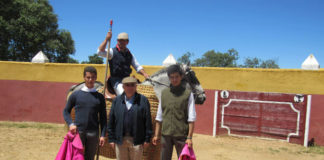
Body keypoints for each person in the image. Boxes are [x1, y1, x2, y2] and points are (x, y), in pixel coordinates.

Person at [152, 64, 196, 160]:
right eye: (172, 77)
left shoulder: (188, 94)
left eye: (176, 77)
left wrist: (189, 137)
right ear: (169, 78)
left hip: (181, 135)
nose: (174, 79)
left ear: (181, 77)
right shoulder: (164, 94)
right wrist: (156, 135)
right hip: (165, 135)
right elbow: (159, 116)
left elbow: (191, 118)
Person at [63, 66, 107, 160]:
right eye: (88, 77)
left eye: (93, 77)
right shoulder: (76, 95)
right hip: (78, 132)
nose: (90, 80)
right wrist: (70, 124)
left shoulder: (100, 97)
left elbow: (103, 118)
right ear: (84, 78)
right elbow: (66, 111)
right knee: (76, 157)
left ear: (96, 78)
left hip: (93, 133)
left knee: (90, 158)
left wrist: (102, 135)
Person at [107, 76, 153, 160]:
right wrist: (111, 139)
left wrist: (147, 139)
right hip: (120, 139)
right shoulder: (117, 101)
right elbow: (111, 121)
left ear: (136, 86)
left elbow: (148, 121)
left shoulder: (143, 100)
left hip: (137, 140)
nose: (130, 87)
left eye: (132, 85)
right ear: (123, 87)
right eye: (127, 85)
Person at [98, 31, 149, 96]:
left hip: (127, 79)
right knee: (125, 94)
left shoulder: (130, 54)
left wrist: (145, 74)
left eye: (122, 40)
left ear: (127, 42)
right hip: (116, 80)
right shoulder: (111, 52)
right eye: (119, 40)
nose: (120, 42)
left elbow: (137, 66)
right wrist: (106, 39)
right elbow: (99, 52)